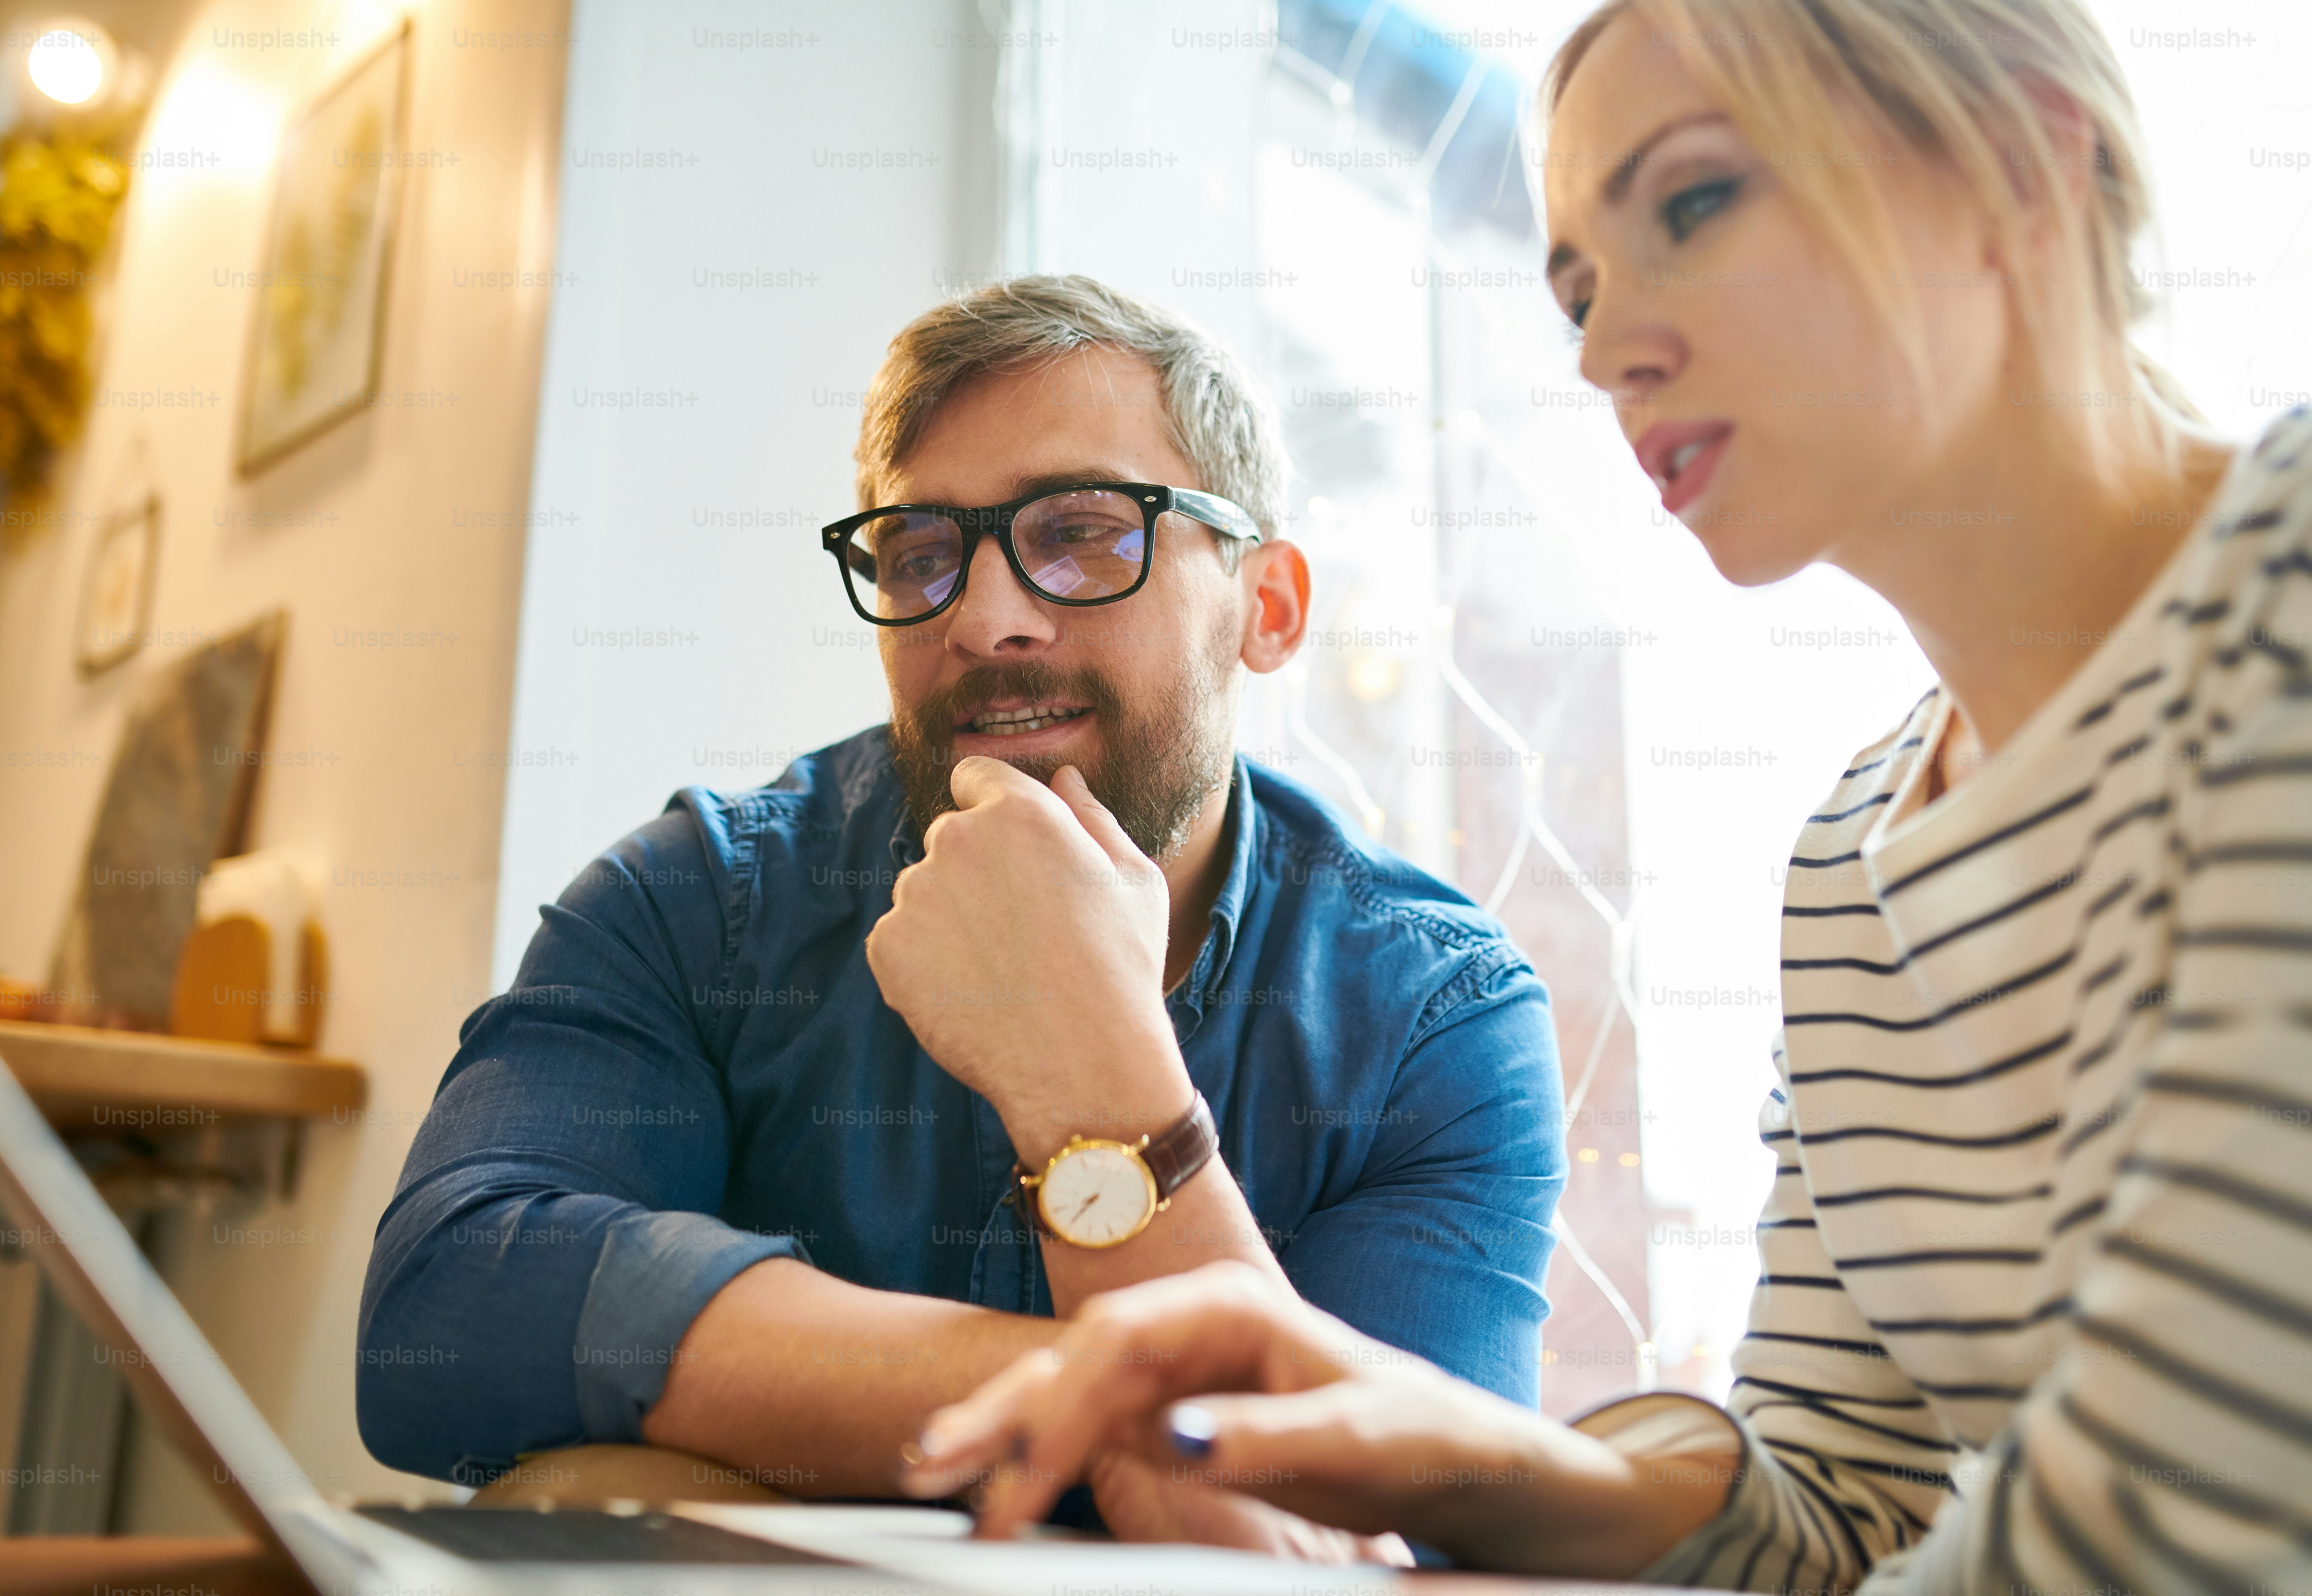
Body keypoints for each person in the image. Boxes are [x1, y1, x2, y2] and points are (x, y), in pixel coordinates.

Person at [899, 0, 2312, 1589]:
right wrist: (1413, 1435)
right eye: (1577, 289)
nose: (1597, 348)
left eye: (1692, 204)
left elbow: (2161, 1527)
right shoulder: (1855, 860)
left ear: (2024, 161)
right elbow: (1839, 1518)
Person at [356, 277, 1567, 1551]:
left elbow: (1400, 1543)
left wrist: (1090, 1056)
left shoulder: (1434, 1013)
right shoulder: (702, 902)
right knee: (582, 1504)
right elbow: (447, 1305)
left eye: (1086, 533)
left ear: (1267, 609)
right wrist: (1098, 1398)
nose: (986, 620)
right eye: (922, 555)